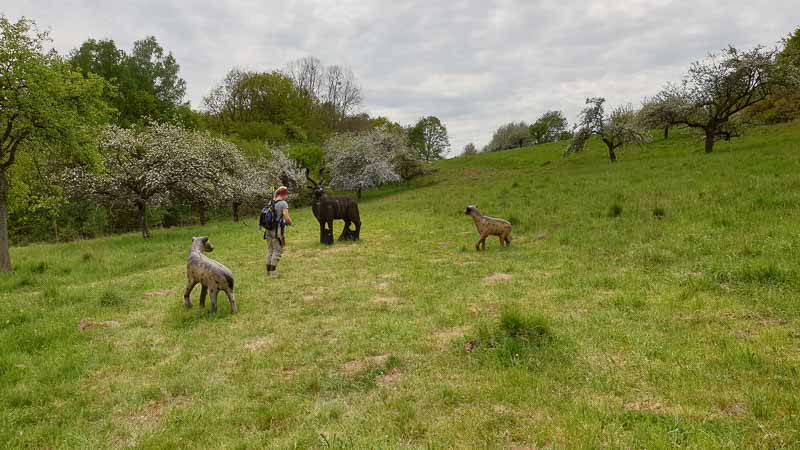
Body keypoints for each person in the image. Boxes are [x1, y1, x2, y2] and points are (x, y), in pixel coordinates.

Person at [266, 186, 292, 277]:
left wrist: (278, 189)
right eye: (287, 194)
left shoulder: (271, 202)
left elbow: (274, 195)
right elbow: (286, 216)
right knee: (277, 250)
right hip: (277, 231)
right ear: (283, 194)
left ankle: (268, 271)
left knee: (270, 250)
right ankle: (273, 273)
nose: (287, 196)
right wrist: (290, 222)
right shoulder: (283, 204)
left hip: (268, 230)